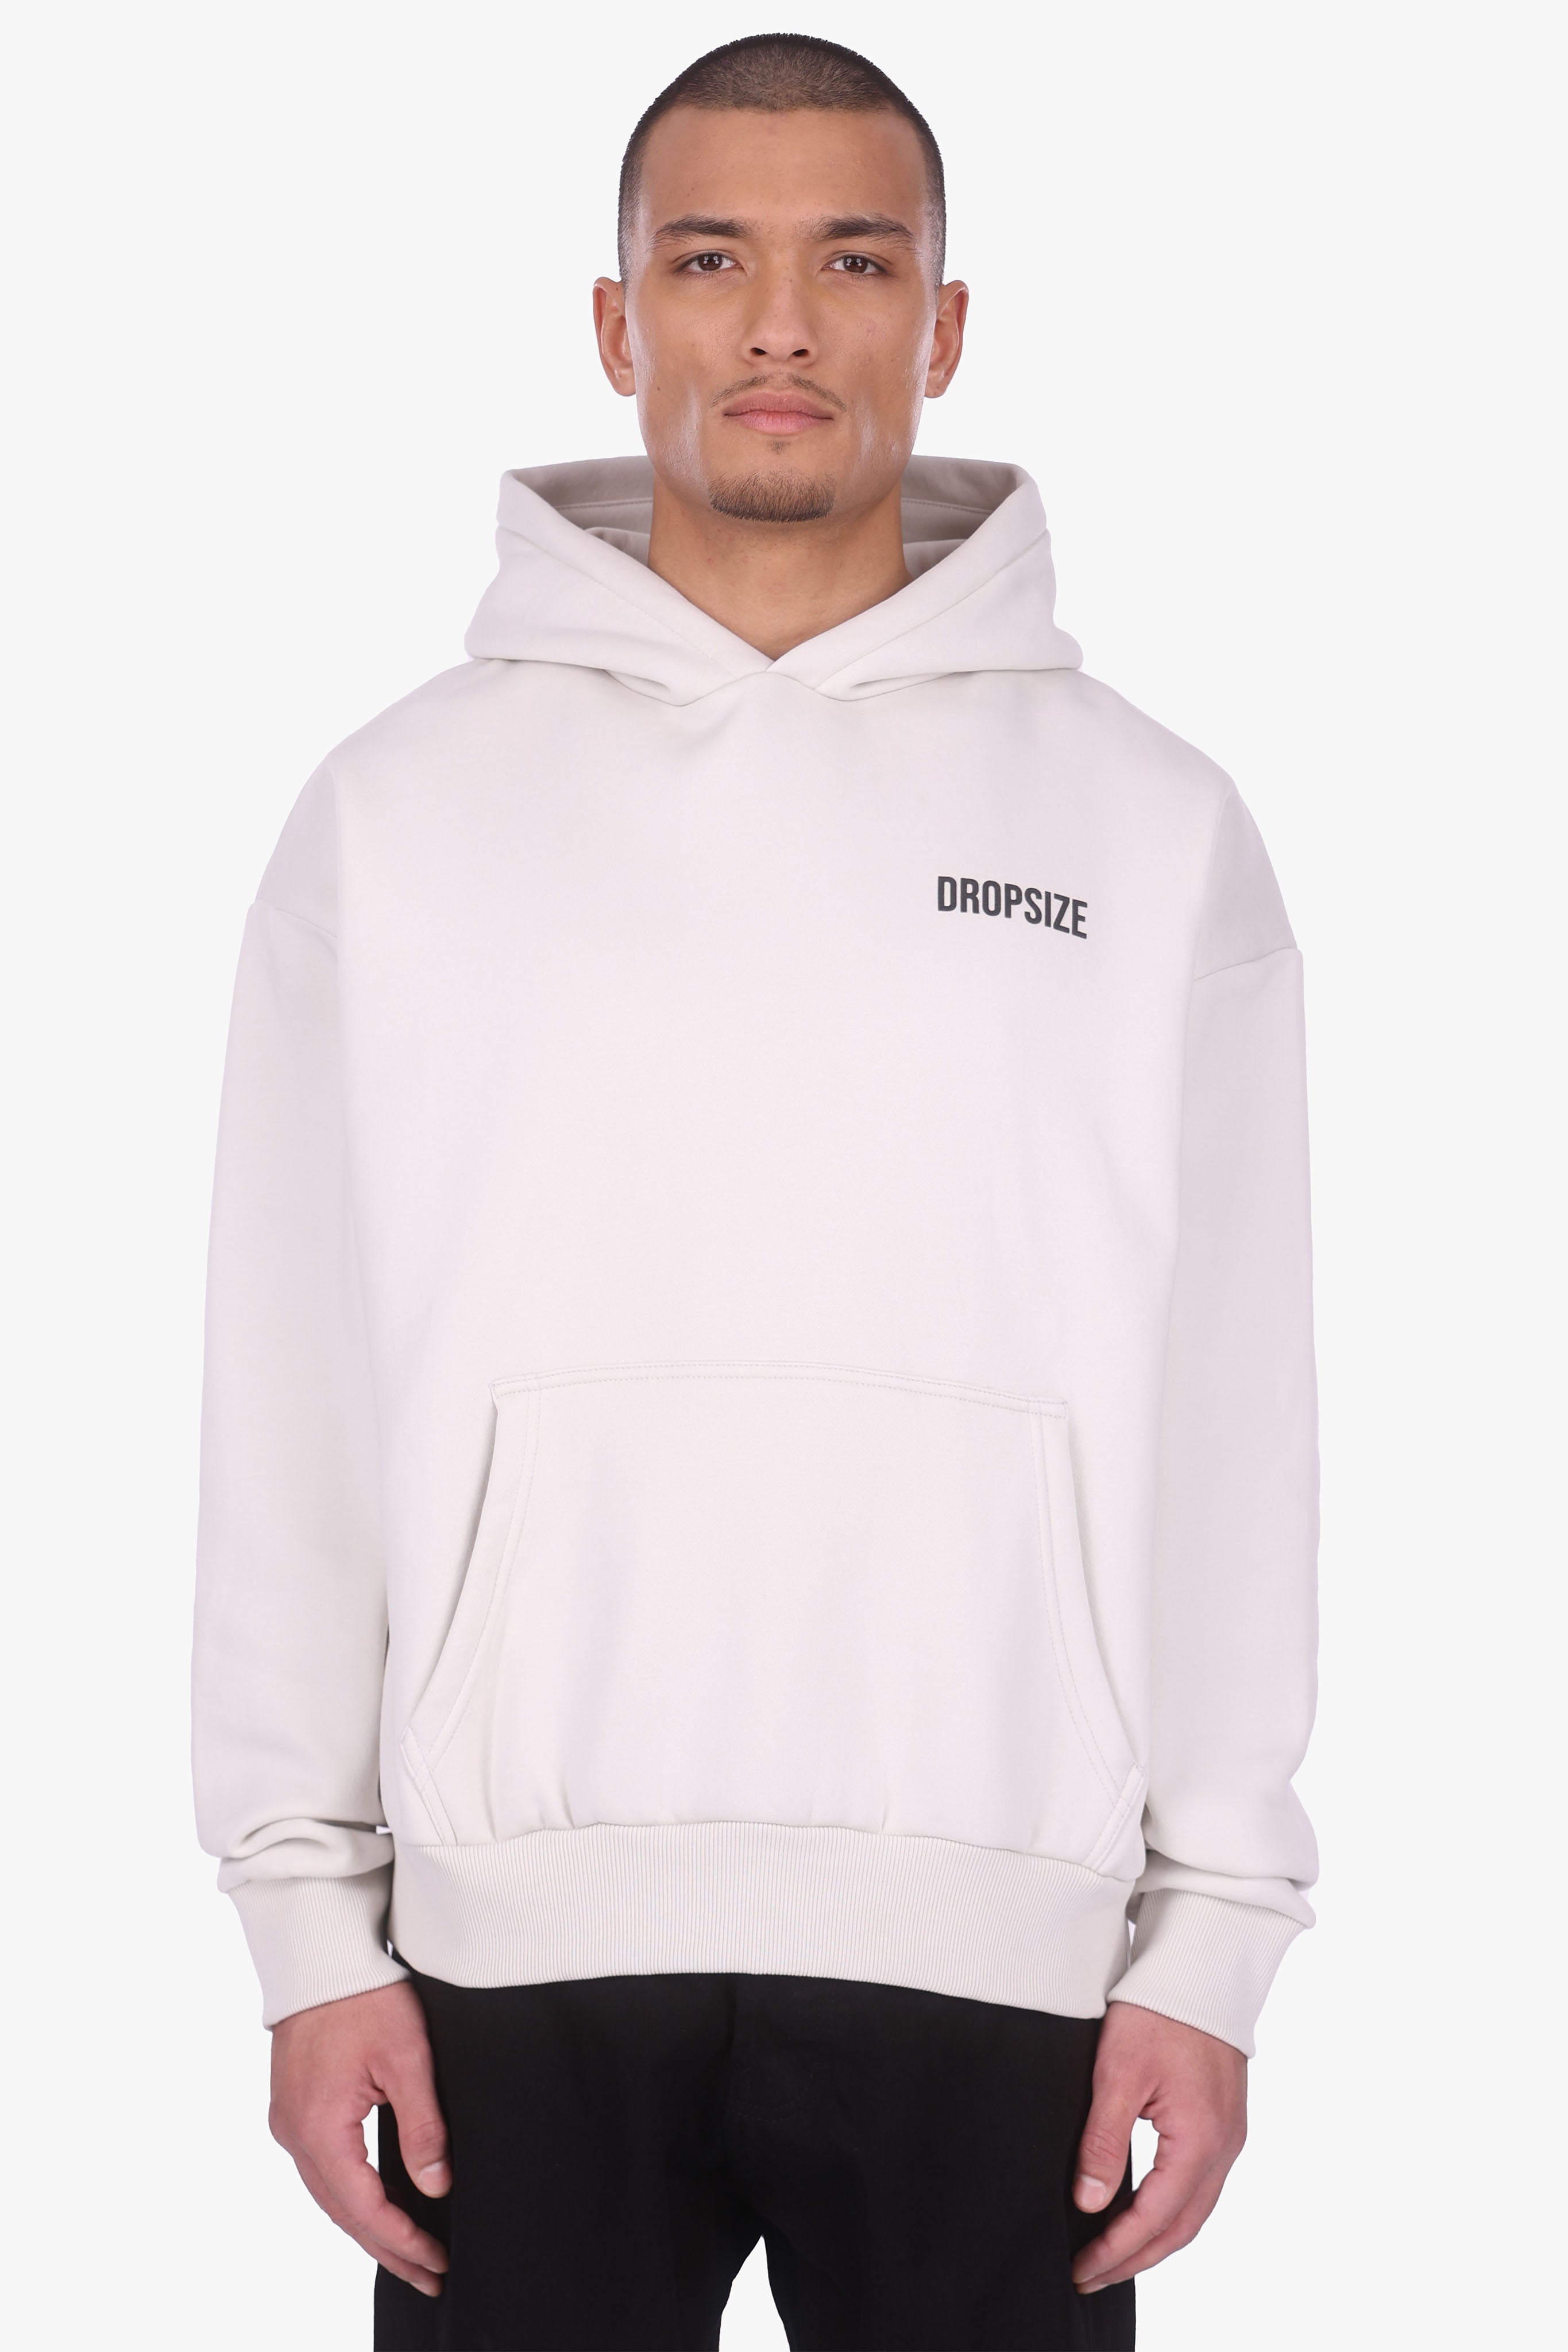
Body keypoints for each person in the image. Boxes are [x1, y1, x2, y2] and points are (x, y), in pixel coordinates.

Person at [192, 33, 1319, 2350]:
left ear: (943, 321)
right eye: (710, 262)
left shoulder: (1147, 826)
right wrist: (305, 1927)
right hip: (503, 1957)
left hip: (1002, 1943)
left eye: (852, 262)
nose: (780, 325)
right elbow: (285, 1389)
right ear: (619, 321)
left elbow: (1236, 1418)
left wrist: (1210, 1941)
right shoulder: (397, 814)